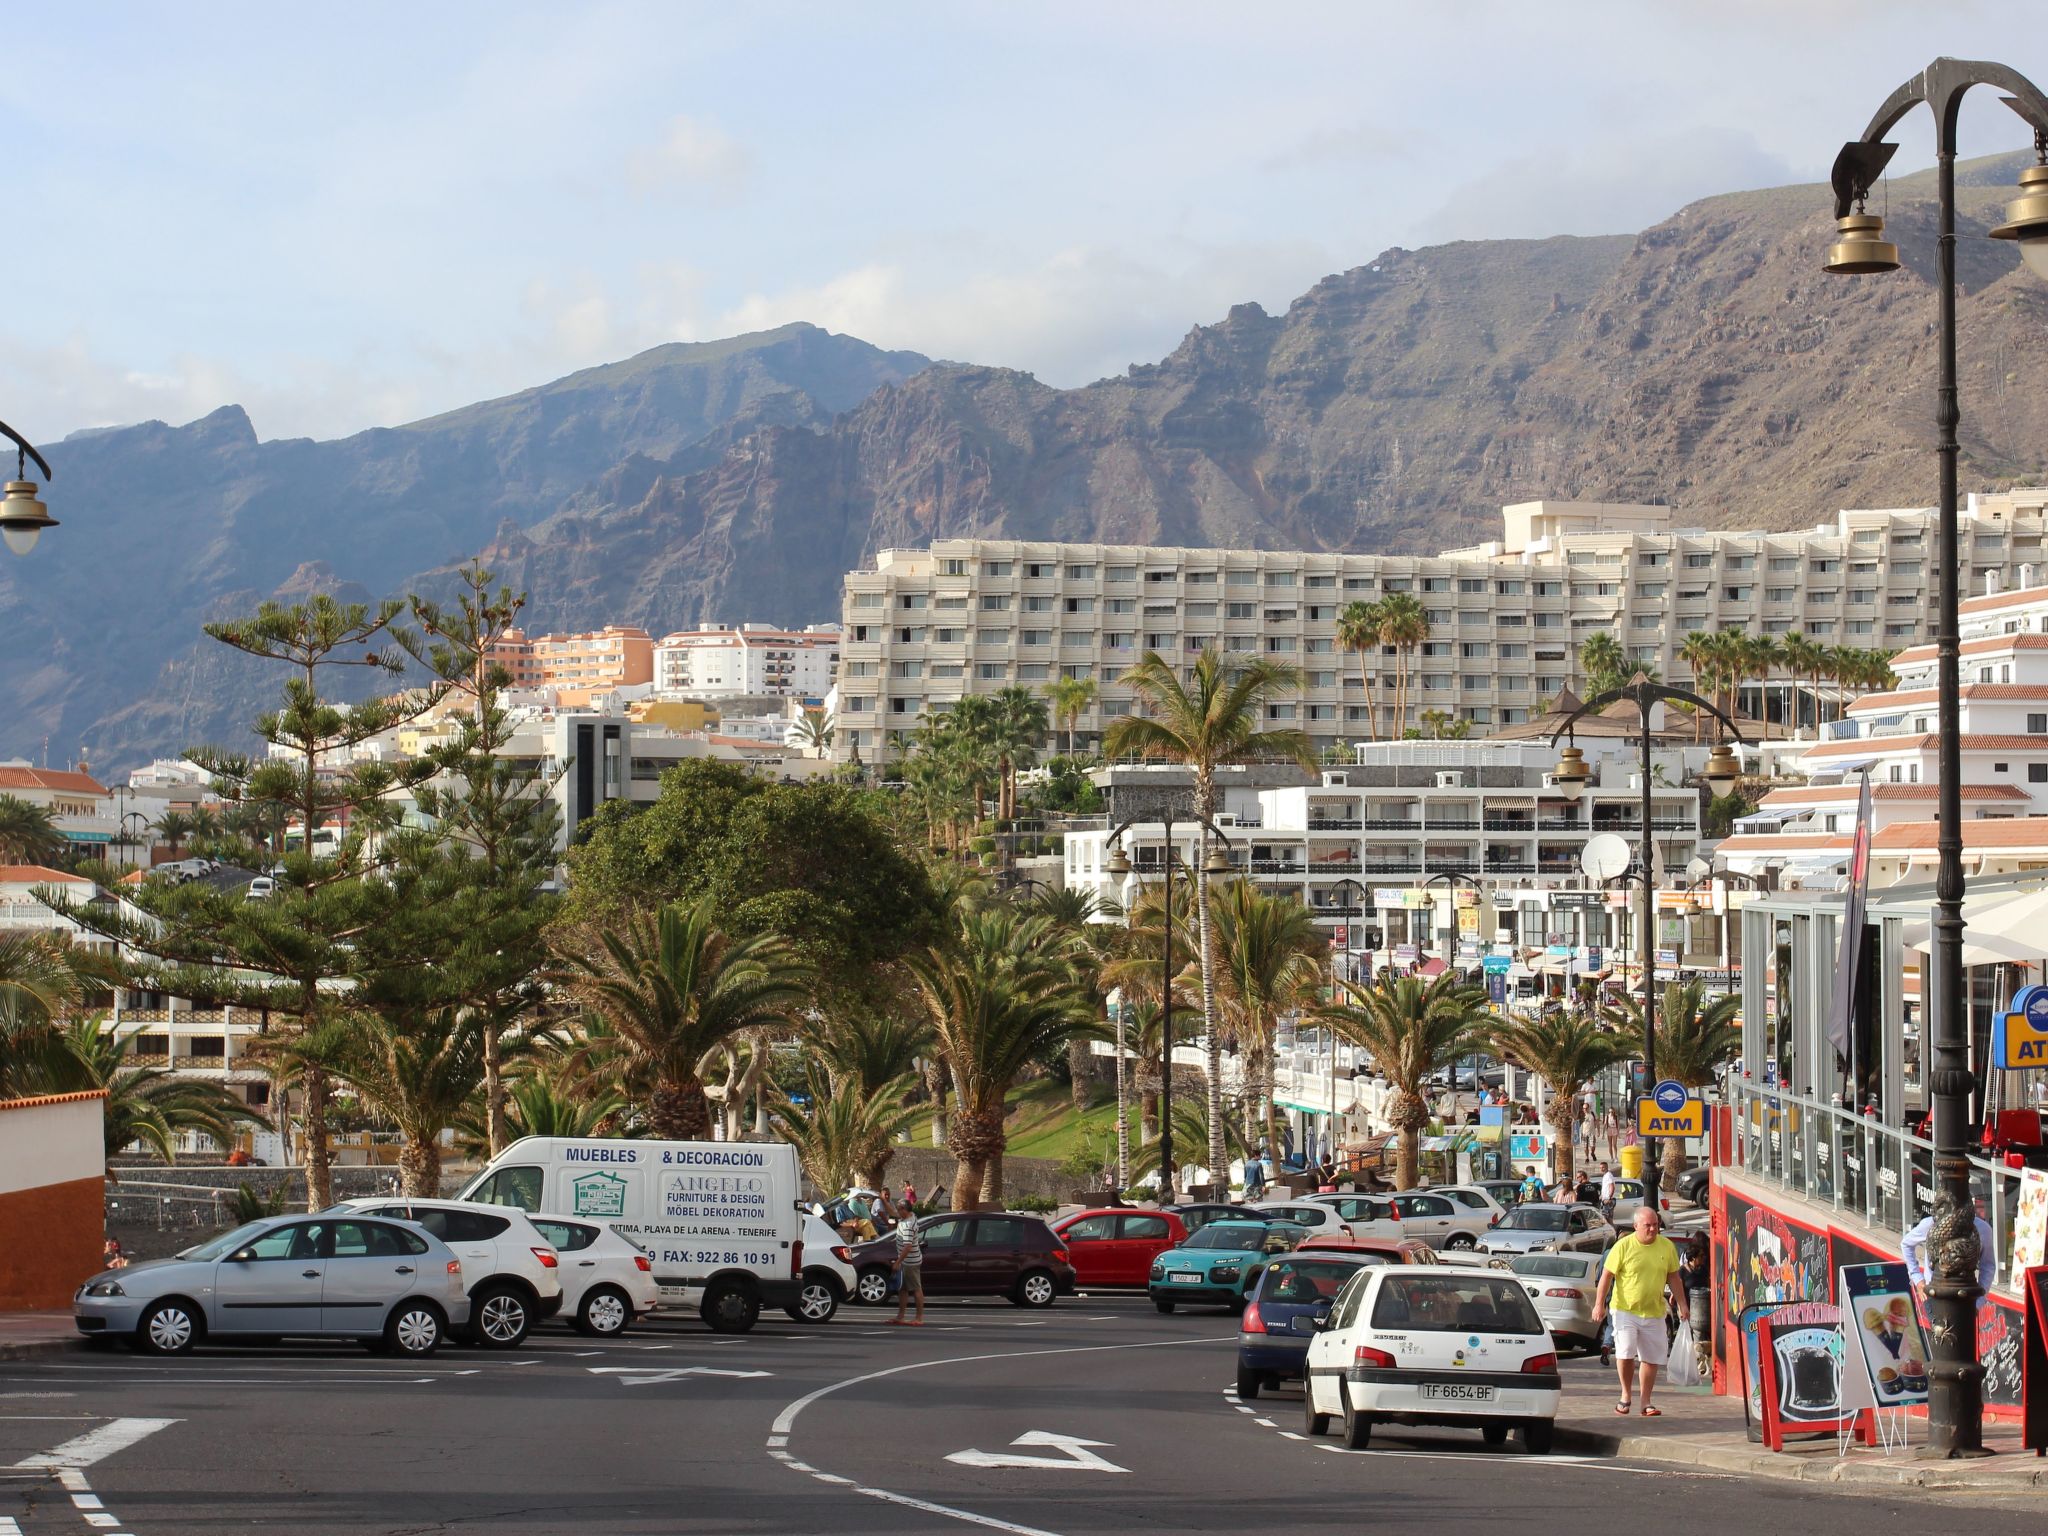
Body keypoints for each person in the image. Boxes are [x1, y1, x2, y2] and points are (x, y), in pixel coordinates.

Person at [1591, 1208, 1687, 1417]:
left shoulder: (1667, 1247)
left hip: (1654, 1310)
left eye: (1655, 1224)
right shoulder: (1623, 1247)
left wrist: (1682, 1304)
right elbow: (1606, 1276)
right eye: (1648, 1225)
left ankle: (1646, 1401)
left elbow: (1674, 1278)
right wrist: (1599, 1304)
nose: (1653, 1229)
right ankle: (1626, 1395)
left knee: (1651, 1358)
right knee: (1625, 1352)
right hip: (1625, 1309)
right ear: (1636, 1226)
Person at [1902, 1198, 1998, 1294]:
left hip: (1966, 1294)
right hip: (1933, 1292)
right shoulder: (1930, 1224)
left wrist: (1980, 1299)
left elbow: (1988, 1265)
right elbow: (1906, 1244)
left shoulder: (1983, 1229)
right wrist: (1918, 1279)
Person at [879, 1191, 925, 1327]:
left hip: (910, 1261)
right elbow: (892, 1212)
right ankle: (900, 1316)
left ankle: (919, 1317)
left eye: (899, 1209)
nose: (897, 1212)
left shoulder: (907, 1225)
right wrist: (883, 1200)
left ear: (904, 1210)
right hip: (907, 1261)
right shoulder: (909, 1217)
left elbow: (908, 1246)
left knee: (916, 1288)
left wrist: (898, 1262)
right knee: (903, 1289)